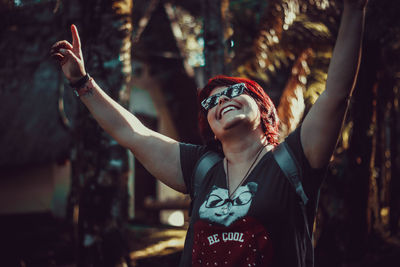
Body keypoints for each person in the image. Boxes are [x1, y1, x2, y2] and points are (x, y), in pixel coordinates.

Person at [50, 0, 368, 266]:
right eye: (212, 102)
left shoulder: (294, 162)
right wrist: (82, 83)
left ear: (263, 107)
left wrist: (354, 9)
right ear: (211, 128)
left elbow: (336, 94)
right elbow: (132, 132)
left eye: (236, 92)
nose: (223, 100)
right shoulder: (201, 168)